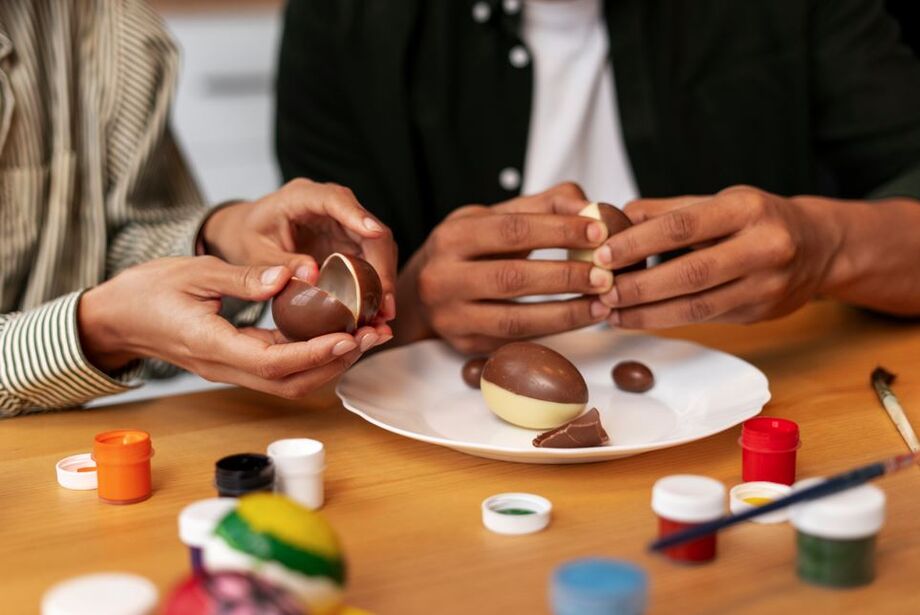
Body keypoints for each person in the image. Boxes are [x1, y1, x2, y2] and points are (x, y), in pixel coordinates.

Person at [276, 0, 920, 356]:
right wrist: (414, 303)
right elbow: (312, 314)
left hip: (761, 416)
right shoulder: (345, 21)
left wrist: (826, 245)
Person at [0, 0, 397, 417]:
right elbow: (111, 305)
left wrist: (223, 238)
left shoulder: (107, 28)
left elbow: (105, 247)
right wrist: (96, 330)